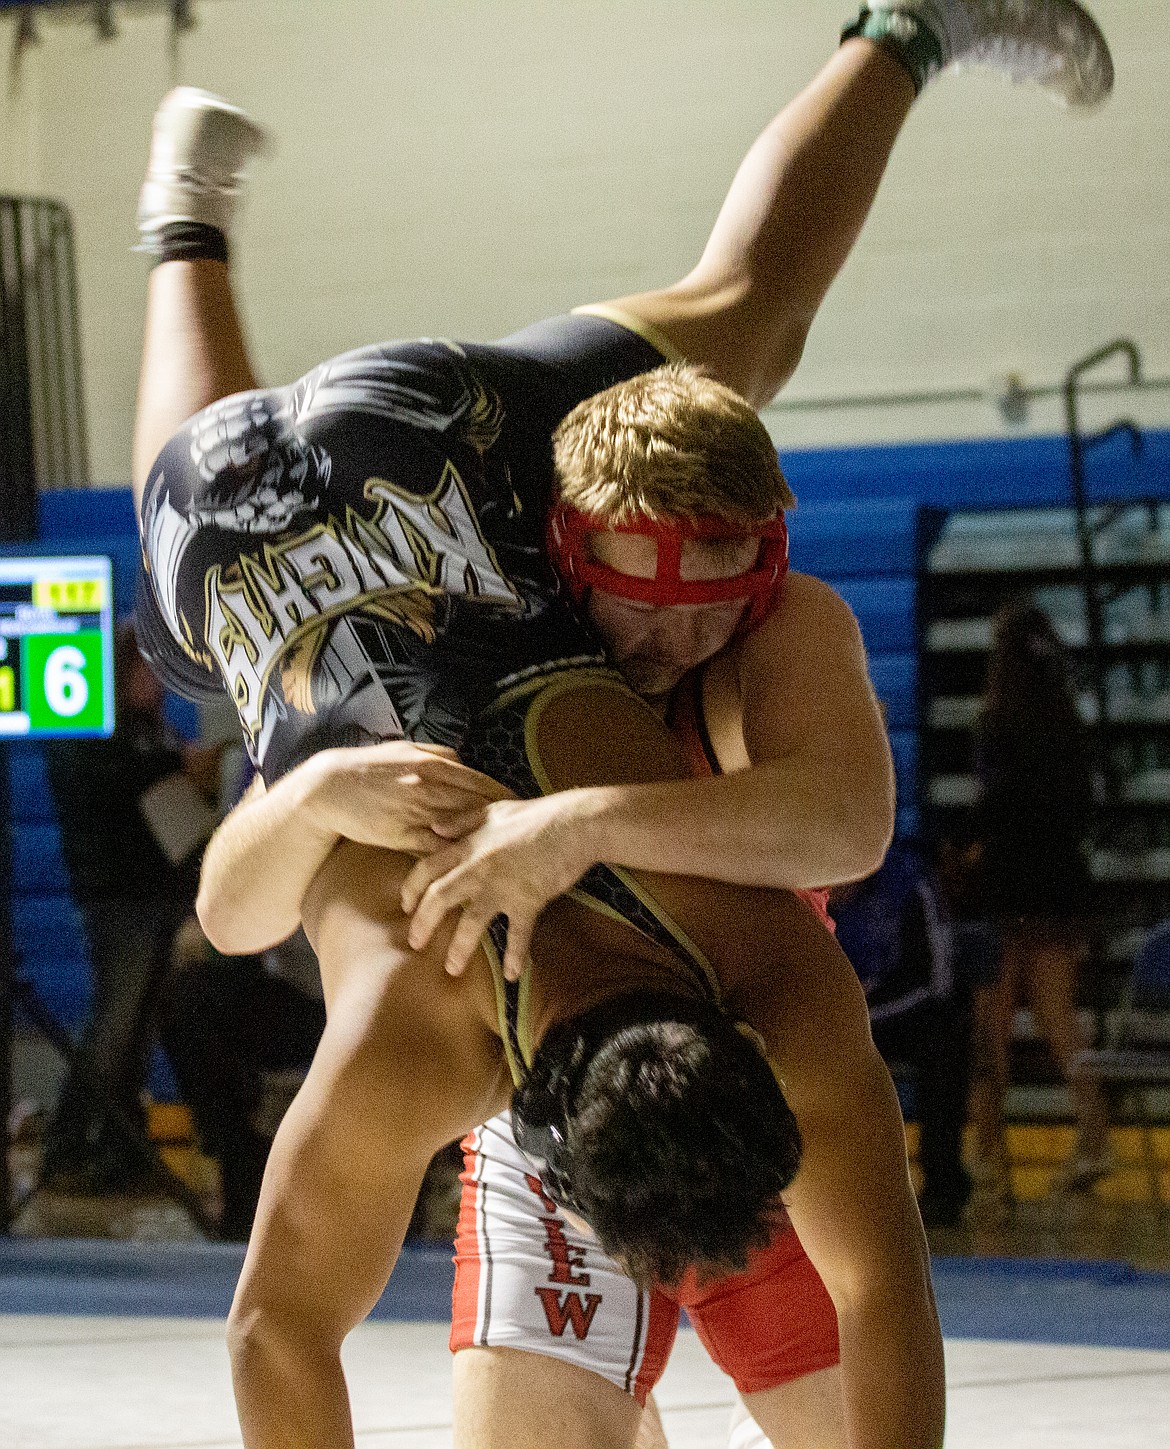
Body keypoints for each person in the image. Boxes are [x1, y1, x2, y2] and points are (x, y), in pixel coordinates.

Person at [130, 5, 1112, 1447]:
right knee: (201, 514)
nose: (684, 638)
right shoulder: (736, 960)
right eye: (643, 611)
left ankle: (181, 221)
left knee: (221, 490)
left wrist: (531, 814)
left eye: (717, 606)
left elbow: (275, 1302)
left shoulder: (743, 880)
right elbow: (222, 919)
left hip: (398, 479)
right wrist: (311, 794)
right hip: (341, 512)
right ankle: (182, 221)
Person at [39, 619, 222, 1194]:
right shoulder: (99, 732)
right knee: (118, 1024)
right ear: (124, 671)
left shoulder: (142, 731)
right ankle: (68, 1147)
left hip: (146, 896)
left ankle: (117, 1144)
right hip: (121, 900)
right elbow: (133, 783)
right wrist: (184, 766)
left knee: (135, 1027)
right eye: (151, 671)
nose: (161, 684)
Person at [969, 599, 1111, 1195]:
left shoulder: (996, 726)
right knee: (1061, 1020)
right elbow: (1084, 810)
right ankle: (1096, 1135)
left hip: (1005, 885)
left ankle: (990, 1158)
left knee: (991, 1025)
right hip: (1059, 883)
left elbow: (993, 811)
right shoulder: (1069, 724)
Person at [831, 839, 974, 1227]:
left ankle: (944, 1184)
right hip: (829, 1020)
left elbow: (937, 984)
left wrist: (861, 1010)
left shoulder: (910, 885)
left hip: (900, 1014)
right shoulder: (797, 889)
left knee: (945, 1041)